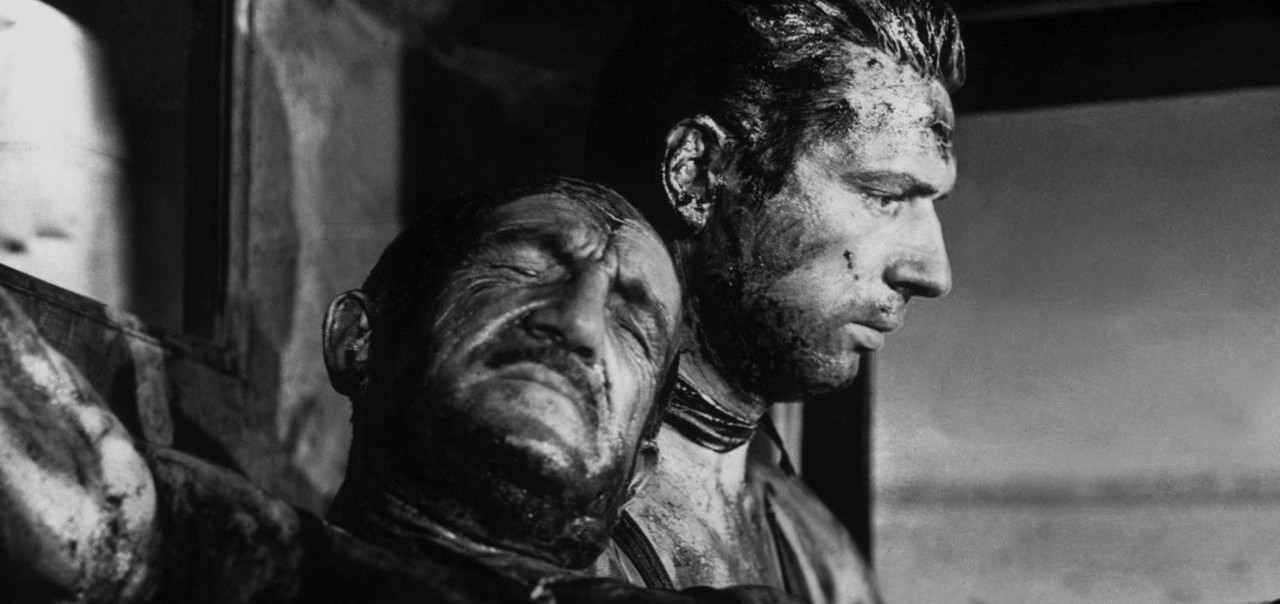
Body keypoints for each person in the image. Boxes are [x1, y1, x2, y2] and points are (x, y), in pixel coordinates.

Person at [0, 177, 792, 604]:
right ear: (360, 341)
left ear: (640, 471)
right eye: (525, 267)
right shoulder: (206, 551)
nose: (578, 323)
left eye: (632, 323)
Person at [586, 1, 966, 601]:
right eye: (885, 194)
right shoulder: (515, 522)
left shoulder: (820, 550)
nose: (932, 273)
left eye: (932, 205)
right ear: (697, 172)